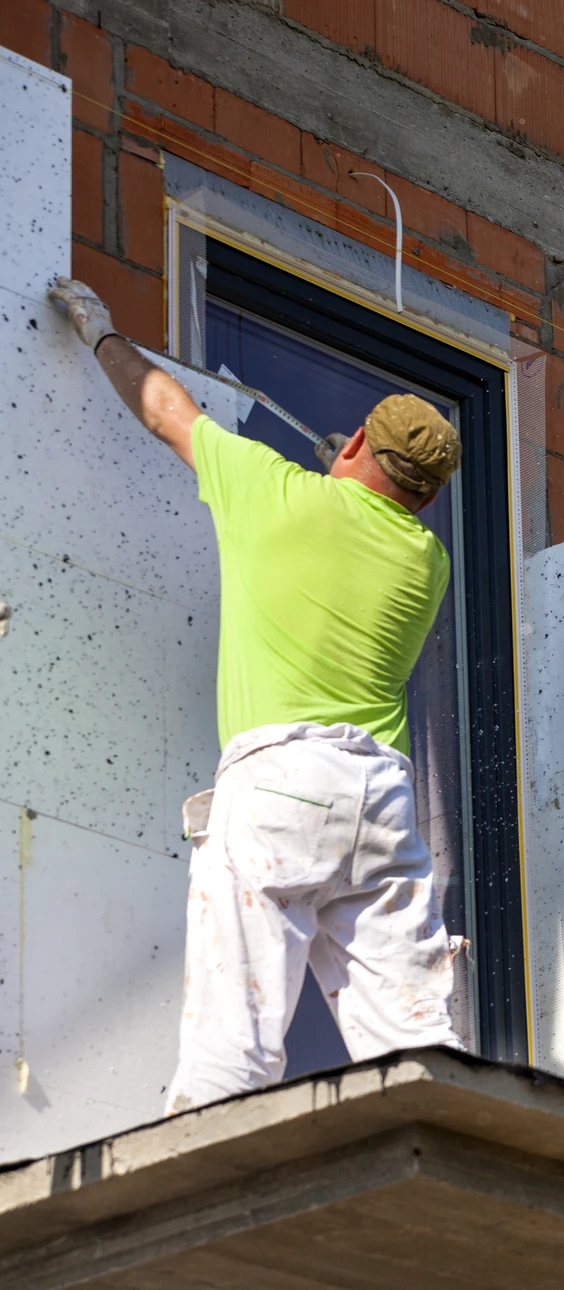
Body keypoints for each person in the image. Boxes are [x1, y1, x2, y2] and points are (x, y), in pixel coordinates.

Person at [48, 277, 465, 1112]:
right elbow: (366, 521)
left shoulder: (270, 494)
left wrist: (99, 331)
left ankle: (191, 1203)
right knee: (418, 1047)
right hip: (380, 802)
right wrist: (343, 480)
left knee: (232, 1048)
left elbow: (167, 408)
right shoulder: (429, 563)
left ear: (354, 451)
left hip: (280, 786)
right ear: (428, 495)